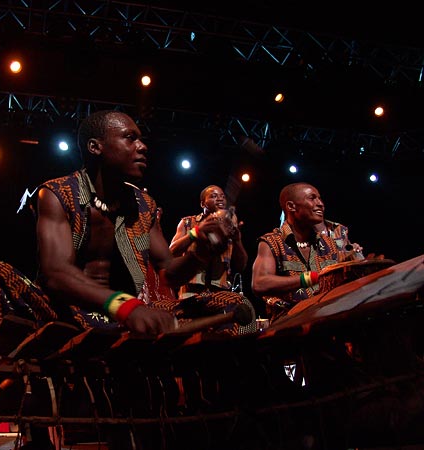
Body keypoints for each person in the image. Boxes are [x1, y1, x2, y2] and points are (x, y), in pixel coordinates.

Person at [34, 110, 253, 335]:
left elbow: (169, 272)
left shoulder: (143, 204)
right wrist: (125, 306)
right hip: (69, 313)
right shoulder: (58, 193)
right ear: (95, 147)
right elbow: (56, 273)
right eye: (130, 138)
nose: (142, 146)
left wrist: (201, 254)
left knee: (231, 304)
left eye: (140, 139)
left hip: (132, 314)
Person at [251, 182, 339, 323]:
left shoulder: (329, 243)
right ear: (291, 206)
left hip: (328, 321)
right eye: (312, 198)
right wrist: (309, 278)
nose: (320, 204)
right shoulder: (272, 242)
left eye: (320, 198)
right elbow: (259, 283)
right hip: (289, 326)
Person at [169, 185, 249, 298]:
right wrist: (196, 231)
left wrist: (237, 240)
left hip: (220, 296)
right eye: (214, 196)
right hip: (190, 294)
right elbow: (171, 252)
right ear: (203, 203)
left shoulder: (229, 228)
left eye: (223, 196)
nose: (220, 199)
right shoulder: (188, 223)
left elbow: (241, 266)